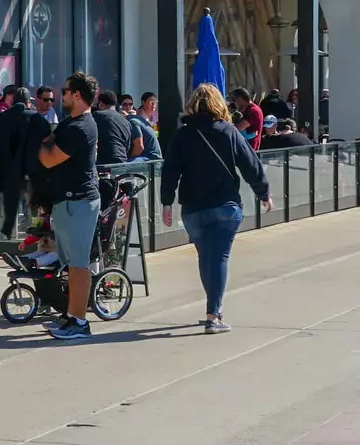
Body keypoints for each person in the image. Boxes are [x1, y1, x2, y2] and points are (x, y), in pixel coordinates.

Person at [161, 83, 272, 333]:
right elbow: (250, 165)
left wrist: (166, 202)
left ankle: (213, 308)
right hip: (225, 205)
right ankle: (214, 315)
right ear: (218, 104)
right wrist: (264, 193)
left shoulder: (182, 135)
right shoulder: (229, 132)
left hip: (193, 207)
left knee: (205, 257)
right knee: (220, 257)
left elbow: (170, 171)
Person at [36, 71, 102, 340]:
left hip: (79, 202)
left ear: (77, 95)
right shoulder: (70, 123)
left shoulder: (81, 126)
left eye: (64, 91)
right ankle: (70, 315)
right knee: (70, 263)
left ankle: (80, 321)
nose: (60, 96)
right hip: (67, 202)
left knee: (78, 264)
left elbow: (48, 158)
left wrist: (40, 143)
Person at [0, 86, 43, 239]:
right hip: (32, 169)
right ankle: (33, 237)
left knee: (8, 208)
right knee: (34, 207)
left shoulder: (0, 118)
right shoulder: (37, 118)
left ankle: (3, 238)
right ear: (27, 102)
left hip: (7, 169)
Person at [92, 89, 146, 170]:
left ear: (101, 103)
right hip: (122, 164)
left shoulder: (97, 116)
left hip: (103, 164)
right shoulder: (126, 121)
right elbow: (128, 145)